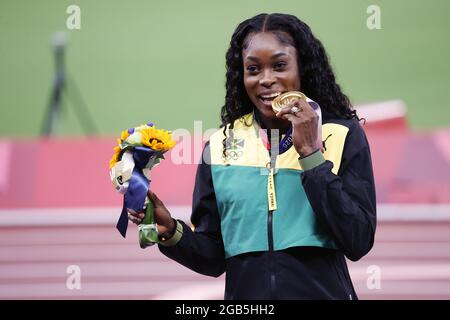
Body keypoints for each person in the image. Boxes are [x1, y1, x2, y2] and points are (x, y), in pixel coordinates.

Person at [128, 13, 376, 300]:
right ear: (241, 75)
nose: (266, 79)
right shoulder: (220, 145)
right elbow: (214, 258)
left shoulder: (341, 135)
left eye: (280, 66)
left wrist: (311, 155)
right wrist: (171, 230)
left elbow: (358, 239)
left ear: (302, 68)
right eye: (253, 69)